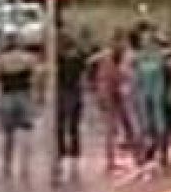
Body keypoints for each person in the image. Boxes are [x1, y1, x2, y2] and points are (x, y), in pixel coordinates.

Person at [0, 32, 40, 180]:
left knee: (8, 134)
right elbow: (36, 78)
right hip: (24, 95)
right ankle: (25, 165)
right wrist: (37, 96)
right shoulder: (29, 59)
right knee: (26, 131)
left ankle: (7, 164)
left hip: (7, 96)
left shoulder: (1, 60)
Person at [91, 33, 133, 173]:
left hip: (115, 92)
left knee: (125, 124)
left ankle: (132, 155)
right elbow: (111, 75)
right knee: (112, 127)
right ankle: (111, 160)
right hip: (108, 93)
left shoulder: (117, 57)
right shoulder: (107, 57)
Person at [53, 29, 89, 181]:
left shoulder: (59, 59)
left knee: (61, 126)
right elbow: (84, 75)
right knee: (72, 127)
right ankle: (73, 158)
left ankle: (62, 157)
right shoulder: (78, 58)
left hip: (64, 93)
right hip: (74, 93)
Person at [131, 29, 169, 168]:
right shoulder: (138, 57)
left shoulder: (160, 55)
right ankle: (145, 154)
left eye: (148, 39)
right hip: (143, 95)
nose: (145, 42)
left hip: (157, 94)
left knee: (160, 125)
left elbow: (169, 51)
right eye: (143, 40)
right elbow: (136, 77)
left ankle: (162, 155)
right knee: (145, 125)